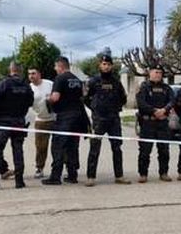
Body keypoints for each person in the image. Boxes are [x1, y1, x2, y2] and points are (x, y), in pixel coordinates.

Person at [0, 63, 34, 190]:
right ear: (20, 71)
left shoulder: (3, 83)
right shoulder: (26, 85)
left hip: (2, 123)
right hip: (19, 122)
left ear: (10, 70)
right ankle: (19, 181)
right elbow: (30, 102)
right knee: (18, 150)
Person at [84, 55, 131, 186]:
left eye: (108, 64)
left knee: (117, 148)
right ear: (100, 65)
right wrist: (95, 108)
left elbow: (123, 98)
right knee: (94, 148)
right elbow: (86, 98)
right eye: (104, 64)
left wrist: (114, 108)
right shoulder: (93, 81)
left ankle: (119, 176)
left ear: (112, 66)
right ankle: (91, 177)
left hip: (113, 119)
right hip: (99, 119)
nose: (106, 66)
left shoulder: (116, 82)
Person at [43, 57, 88, 185]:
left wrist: (48, 99)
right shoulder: (77, 80)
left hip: (64, 118)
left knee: (58, 146)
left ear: (60, 66)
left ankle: (55, 177)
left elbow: (55, 98)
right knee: (73, 147)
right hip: (78, 117)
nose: (55, 69)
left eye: (56, 67)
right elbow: (82, 96)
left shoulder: (60, 78)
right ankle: (72, 174)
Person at [136, 66, 175, 183]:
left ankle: (163, 173)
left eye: (160, 72)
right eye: (156, 72)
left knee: (164, 150)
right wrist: (154, 111)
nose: (158, 74)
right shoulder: (143, 87)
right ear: (150, 73)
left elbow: (172, 101)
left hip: (162, 123)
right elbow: (141, 103)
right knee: (145, 151)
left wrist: (164, 110)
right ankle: (143, 174)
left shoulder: (166, 88)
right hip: (148, 122)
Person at [28, 68, 55, 179]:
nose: (31, 76)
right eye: (29, 74)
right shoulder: (29, 88)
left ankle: (61, 167)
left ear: (39, 74)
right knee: (40, 147)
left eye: (33, 73)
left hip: (55, 119)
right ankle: (39, 168)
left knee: (59, 146)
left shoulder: (50, 84)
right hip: (40, 120)